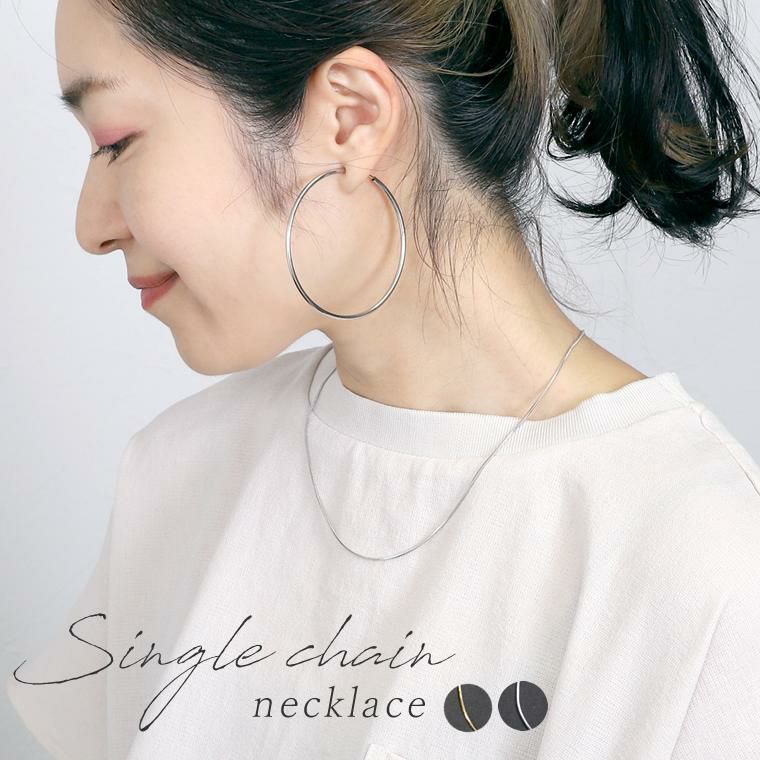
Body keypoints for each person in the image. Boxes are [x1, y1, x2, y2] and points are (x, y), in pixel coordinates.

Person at [7, 0, 760, 757]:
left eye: (116, 143)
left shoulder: (695, 562)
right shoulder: (179, 472)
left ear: (352, 118)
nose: (89, 227)